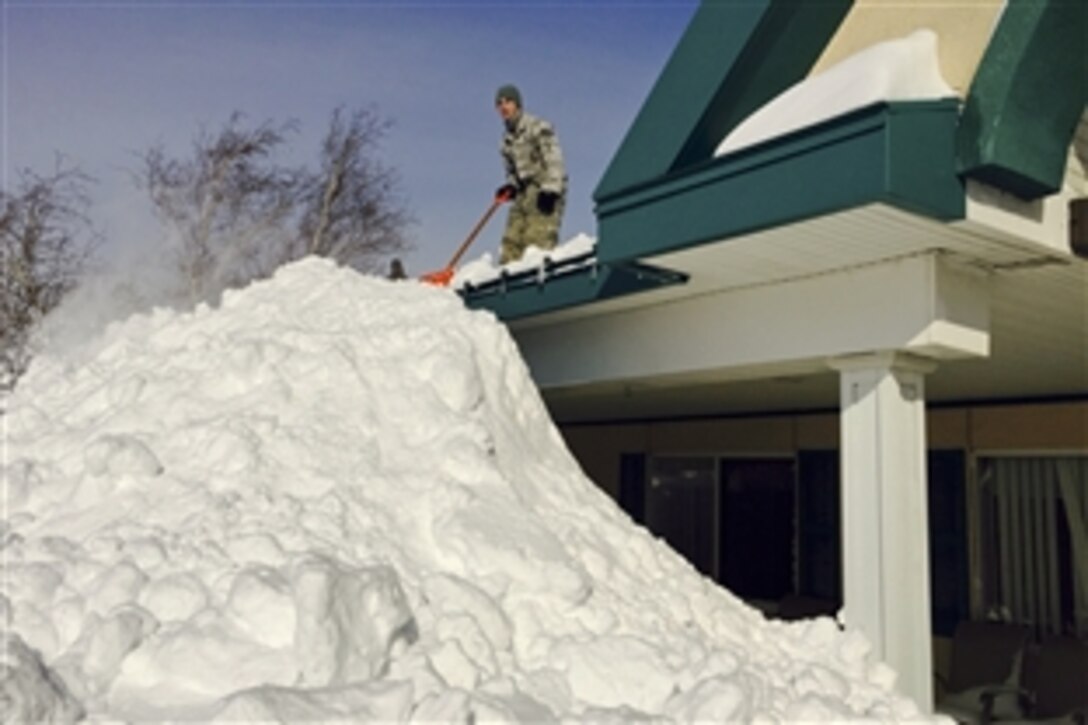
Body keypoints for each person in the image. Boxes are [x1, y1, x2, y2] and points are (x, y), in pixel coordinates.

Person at [494, 84, 567, 264]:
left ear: (517, 104)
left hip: (544, 189)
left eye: (508, 102)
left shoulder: (537, 127)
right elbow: (512, 171)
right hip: (524, 193)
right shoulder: (506, 142)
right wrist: (511, 186)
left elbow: (554, 159)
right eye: (499, 103)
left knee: (535, 243)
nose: (504, 107)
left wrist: (551, 189)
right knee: (511, 243)